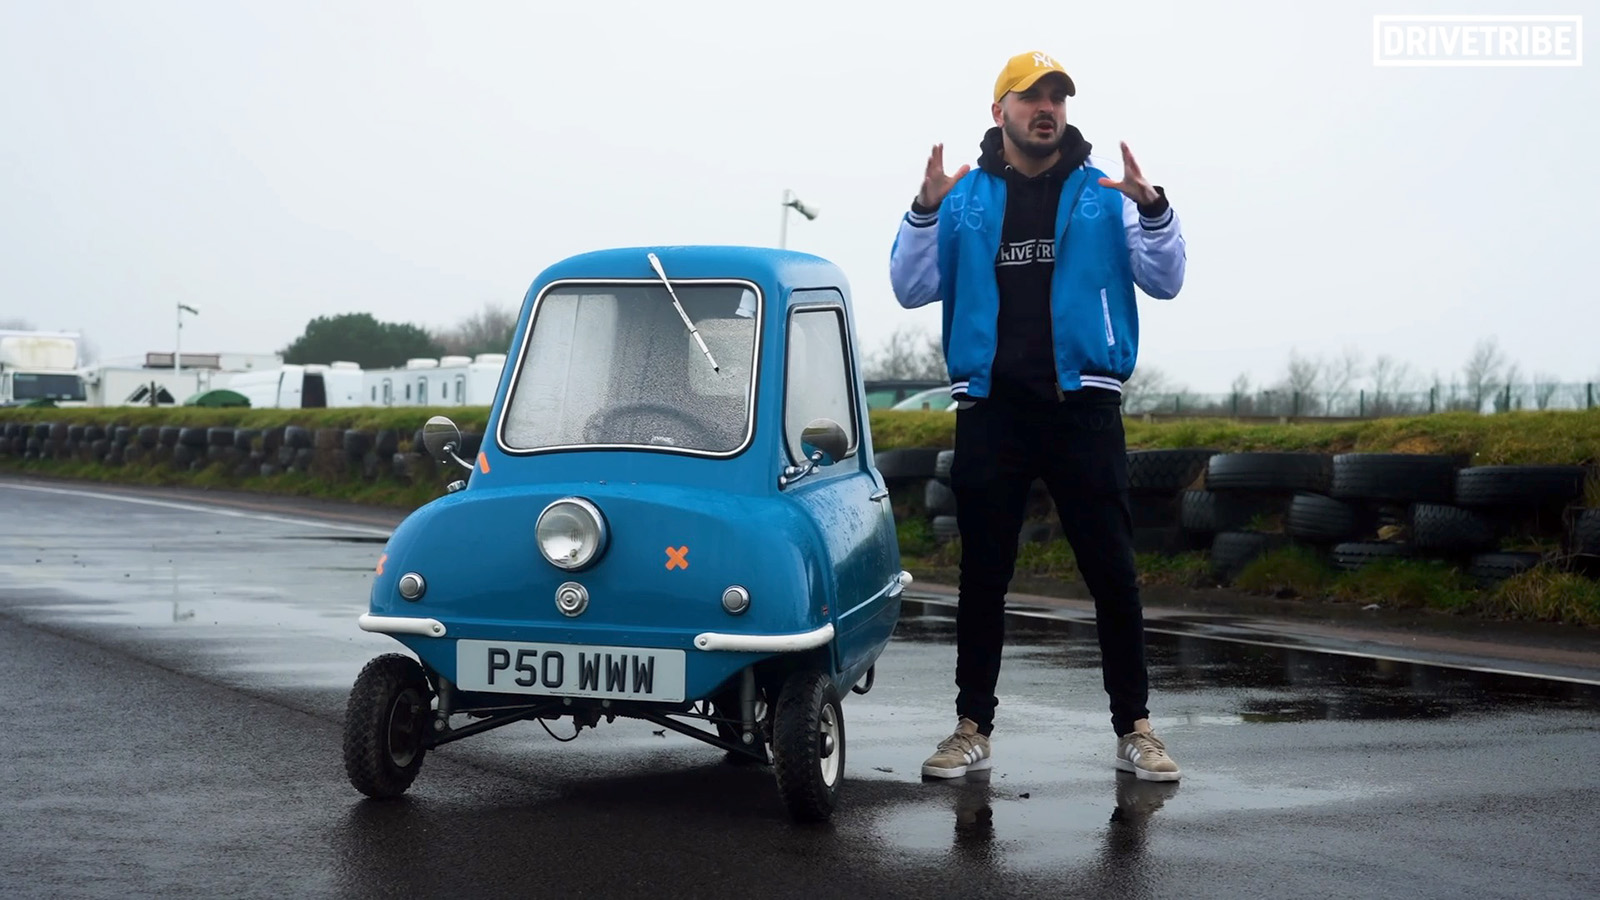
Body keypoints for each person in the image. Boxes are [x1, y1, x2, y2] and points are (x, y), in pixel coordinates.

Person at [888, 50, 1187, 782]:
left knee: (1113, 574)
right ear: (1001, 112)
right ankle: (971, 727)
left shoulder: (1105, 193)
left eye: (1057, 96)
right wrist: (923, 211)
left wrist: (1154, 209)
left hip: (1084, 406)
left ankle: (1136, 729)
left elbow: (1167, 279)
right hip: (991, 408)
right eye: (1030, 97)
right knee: (983, 577)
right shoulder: (962, 198)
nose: (1046, 108)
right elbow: (910, 286)